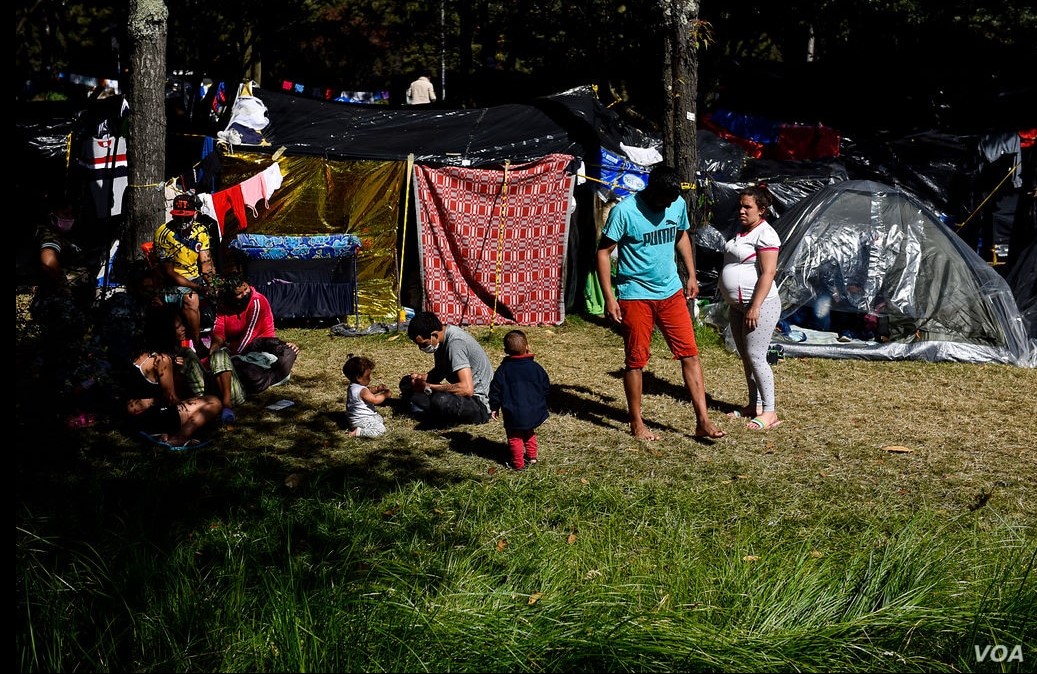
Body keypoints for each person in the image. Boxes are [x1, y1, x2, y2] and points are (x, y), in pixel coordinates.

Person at [595, 164, 725, 441]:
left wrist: (691, 274)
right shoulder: (625, 212)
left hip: (671, 292)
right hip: (635, 294)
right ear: (651, 190)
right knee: (636, 360)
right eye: (664, 199)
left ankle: (702, 419)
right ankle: (637, 423)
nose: (669, 204)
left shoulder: (676, 203)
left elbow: (681, 235)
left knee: (690, 354)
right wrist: (609, 297)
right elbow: (604, 252)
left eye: (672, 199)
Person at [718, 185, 783, 431]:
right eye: (741, 206)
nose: (742, 211)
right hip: (738, 306)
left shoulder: (766, 234)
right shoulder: (743, 232)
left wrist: (755, 306)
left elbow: (768, 273)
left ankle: (770, 412)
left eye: (748, 207)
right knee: (746, 357)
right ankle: (753, 404)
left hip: (760, 305)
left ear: (762, 210)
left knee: (757, 356)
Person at [207, 270, 300, 424]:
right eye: (239, 293)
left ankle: (236, 380)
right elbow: (218, 331)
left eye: (246, 289)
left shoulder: (257, 301)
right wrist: (214, 349)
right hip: (236, 350)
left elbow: (250, 335)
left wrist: (231, 356)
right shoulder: (223, 305)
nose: (245, 294)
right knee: (224, 363)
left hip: (259, 346)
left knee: (251, 370)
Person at [119, 338, 222, 451]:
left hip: (133, 418)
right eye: (179, 326)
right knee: (213, 402)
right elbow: (171, 399)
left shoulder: (133, 356)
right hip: (154, 418)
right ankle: (179, 437)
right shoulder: (161, 359)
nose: (183, 329)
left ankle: (162, 433)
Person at [400, 311, 493, 427]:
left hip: (479, 403)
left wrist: (428, 387)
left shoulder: (455, 343)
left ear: (434, 335)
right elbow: (440, 372)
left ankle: (426, 409)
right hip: (462, 396)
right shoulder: (441, 340)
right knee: (407, 382)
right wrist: (420, 379)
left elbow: (467, 389)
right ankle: (425, 407)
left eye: (424, 344)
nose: (421, 348)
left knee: (441, 400)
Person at [152, 193, 217, 358]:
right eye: (178, 217)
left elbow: (206, 262)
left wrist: (212, 284)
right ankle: (198, 344)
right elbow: (169, 272)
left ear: (194, 214)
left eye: (186, 217)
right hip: (170, 284)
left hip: (195, 279)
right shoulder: (163, 233)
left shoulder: (201, 230)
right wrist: (198, 287)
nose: (182, 222)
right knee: (190, 298)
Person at [489, 330, 550, 471]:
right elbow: (545, 386)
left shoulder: (503, 370)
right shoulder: (536, 368)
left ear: (506, 351)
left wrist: (494, 407)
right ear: (527, 346)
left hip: (513, 412)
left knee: (515, 437)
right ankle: (532, 457)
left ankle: (518, 464)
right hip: (533, 409)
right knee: (529, 432)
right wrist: (541, 401)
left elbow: (495, 390)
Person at [342, 355, 392, 438]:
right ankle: (358, 432)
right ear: (358, 377)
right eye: (367, 376)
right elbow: (375, 400)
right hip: (362, 419)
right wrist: (385, 395)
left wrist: (377, 389)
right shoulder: (363, 391)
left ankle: (359, 426)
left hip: (355, 419)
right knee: (380, 429)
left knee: (379, 419)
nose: (370, 378)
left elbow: (368, 391)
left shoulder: (353, 386)